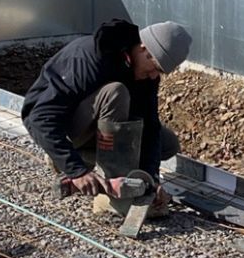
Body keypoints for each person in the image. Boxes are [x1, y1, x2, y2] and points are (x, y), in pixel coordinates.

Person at [21, 19, 192, 218]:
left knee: (168, 143)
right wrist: (76, 171)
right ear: (143, 48)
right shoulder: (89, 57)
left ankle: (87, 160)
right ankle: (109, 197)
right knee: (116, 93)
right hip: (70, 127)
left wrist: (150, 176)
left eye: (160, 72)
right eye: (155, 68)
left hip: (105, 131)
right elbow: (38, 117)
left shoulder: (146, 74)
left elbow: (151, 126)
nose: (154, 76)